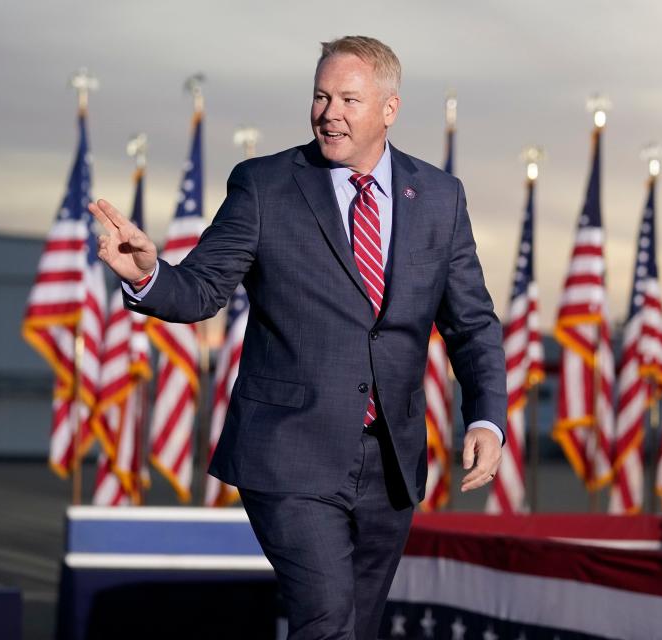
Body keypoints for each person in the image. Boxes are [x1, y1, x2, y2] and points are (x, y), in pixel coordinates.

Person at [89, 35, 507, 640]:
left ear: (389, 109)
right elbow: (203, 289)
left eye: (348, 99)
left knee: (357, 628)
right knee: (327, 620)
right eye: (320, 96)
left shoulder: (440, 197)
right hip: (289, 452)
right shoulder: (265, 186)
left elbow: (472, 324)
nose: (328, 112)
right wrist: (150, 276)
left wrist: (486, 419)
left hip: (389, 461)